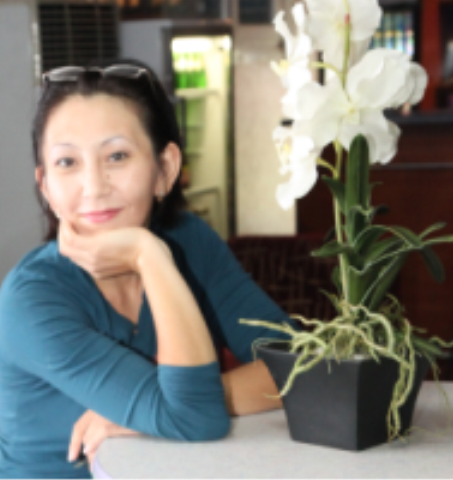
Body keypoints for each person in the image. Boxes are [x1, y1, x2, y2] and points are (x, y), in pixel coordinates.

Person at [0, 59, 296, 479]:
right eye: (67, 162)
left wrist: (155, 410)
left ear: (165, 169)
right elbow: (196, 417)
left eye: (117, 156)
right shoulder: (31, 299)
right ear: (45, 186)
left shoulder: (189, 242)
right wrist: (163, 408)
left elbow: (305, 367)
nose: (94, 187)